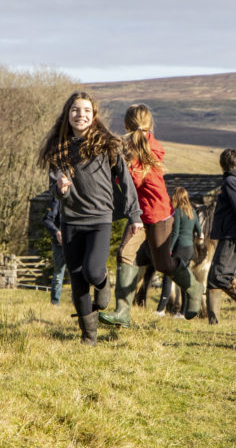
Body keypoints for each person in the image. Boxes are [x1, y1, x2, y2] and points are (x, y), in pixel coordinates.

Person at [37, 91, 142, 346]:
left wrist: (134, 214)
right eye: (75, 110)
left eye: (85, 110)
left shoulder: (108, 145)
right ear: (67, 115)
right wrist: (60, 189)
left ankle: (104, 283)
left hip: (100, 218)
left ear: (93, 115)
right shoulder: (58, 150)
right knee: (77, 280)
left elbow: (125, 182)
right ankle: (88, 336)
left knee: (94, 271)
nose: (80, 115)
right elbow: (56, 189)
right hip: (71, 220)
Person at [99, 104, 204, 328]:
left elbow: (134, 180)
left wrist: (119, 165)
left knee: (163, 264)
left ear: (127, 124)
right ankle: (122, 312)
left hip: (158, 215)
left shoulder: (144, 149)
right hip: (139, 214)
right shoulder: (130, 147)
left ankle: (194, 288)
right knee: (125, 254)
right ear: (150, 123)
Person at [205, 149, 236, 324]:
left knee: (221, 275)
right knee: (213, 277)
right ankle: (213, 322)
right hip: (229, 234)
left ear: (221, 164)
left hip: (232, 235)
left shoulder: (231, 182)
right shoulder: (234, 181)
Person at [155, 187, 204, 318]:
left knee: (168, 276)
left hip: (180, 248)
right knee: (184, 279)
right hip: (189, 250)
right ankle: (183, 312)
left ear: (176, 197)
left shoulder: (177, 212)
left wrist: (169, 250)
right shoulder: (192, 212)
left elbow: (175, 233)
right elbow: (200, 232)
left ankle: (160, 310)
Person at [42, 195, 66, 306]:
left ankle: (79, 304)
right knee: (58, 274)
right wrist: (56, 232)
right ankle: (55, 302)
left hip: (76, 240)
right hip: (59, 243)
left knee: (78, 274)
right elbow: (47, 220)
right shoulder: (57, 199)